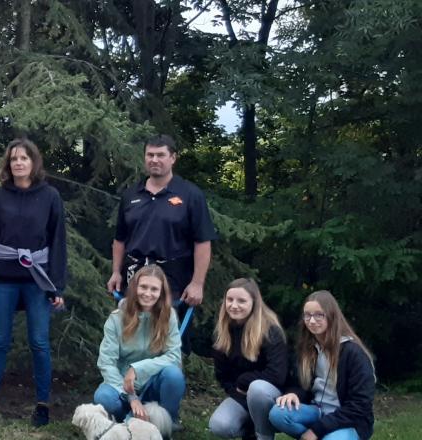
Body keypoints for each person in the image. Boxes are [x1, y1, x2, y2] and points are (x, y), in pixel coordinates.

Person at [0, 139, 67, 426]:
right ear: (8, 164)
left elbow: (58, 242)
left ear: (33, 163)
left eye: (24, 158)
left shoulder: (50, 196)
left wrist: (56, 286)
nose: (18, 163)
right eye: (13, 159)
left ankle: (42, 405)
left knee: (39, 342)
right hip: (3, 279)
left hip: (38, 280)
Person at [106, 134, 217, 352]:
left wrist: (197, 283)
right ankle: (129, 382)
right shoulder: (131, 195)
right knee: (131, 336)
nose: (154, 160)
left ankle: (167, 383)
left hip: (174, 279)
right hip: (135, 275)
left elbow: (203, 242)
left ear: (173, 158)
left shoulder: (190, 194)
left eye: (160, 155)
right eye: (150, 155)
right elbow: (119, 239)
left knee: (168, 342)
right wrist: (115, 272)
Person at [269, 291, 375, 440]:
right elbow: (299, 384)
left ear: (331, 316)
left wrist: (317, 430)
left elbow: (360, 405)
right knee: (278, 414)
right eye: (307, 315)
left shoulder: (353, 353)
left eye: (319, 315)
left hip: (348, 420)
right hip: (317, 411)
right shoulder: (307, 348)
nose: (312, 321)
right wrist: (294, 393)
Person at [93, 264, 185, 428]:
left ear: (161, 293)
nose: (148, 293)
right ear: (135, 288)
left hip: (153, 381)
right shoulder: (116, 319)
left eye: (154, 289)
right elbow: (106, 363)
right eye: (143, 287)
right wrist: (131, 397)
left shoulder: (169, 316)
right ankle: (127, 422)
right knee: (103, 397)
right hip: (122, 384)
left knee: (174, 375)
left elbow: (174, 356)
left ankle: (167, 422)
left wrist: (137, 369)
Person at [209, 278, 288, 439]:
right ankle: (250, 430)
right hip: (240, 395)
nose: (234, 305)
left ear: (254, 303)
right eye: (229, 300)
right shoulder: (223, 332)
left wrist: (245, 381)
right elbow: (222, 376)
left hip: (269, 394)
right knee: (219, 425)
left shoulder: (270, 331)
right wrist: (235, 390)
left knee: (257, 388)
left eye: (241, 301)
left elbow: (277, 375)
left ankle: (264, 435)